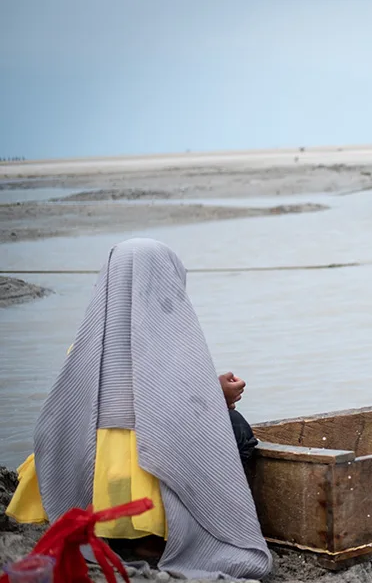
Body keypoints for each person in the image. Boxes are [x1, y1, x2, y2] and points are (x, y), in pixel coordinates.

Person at [5, 238, 272, 579]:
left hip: (86, 489)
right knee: (235, 427)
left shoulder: (88, 343)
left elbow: (72, 410)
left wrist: (206, 386)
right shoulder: (172, 343)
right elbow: (170, 417)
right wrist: (215, 395)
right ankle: (154, 537)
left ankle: (116, 530)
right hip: (143, 504)